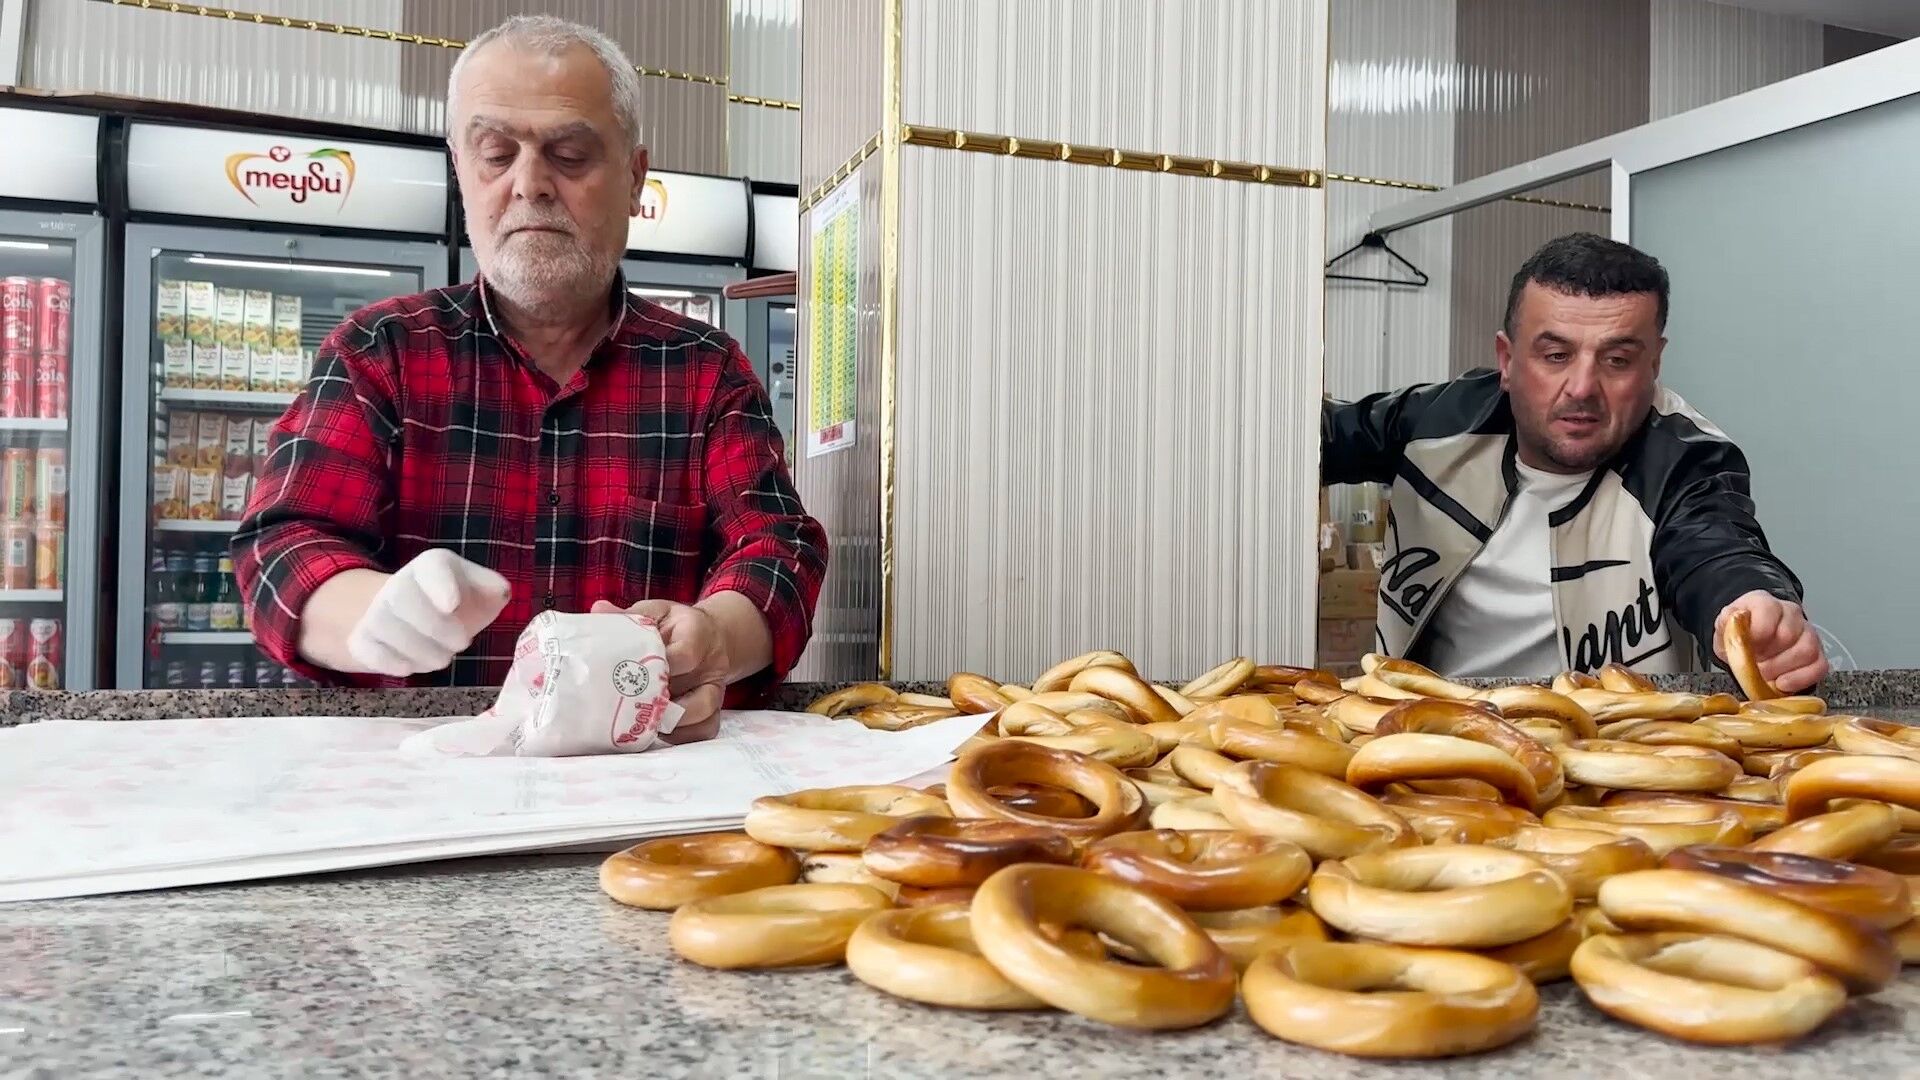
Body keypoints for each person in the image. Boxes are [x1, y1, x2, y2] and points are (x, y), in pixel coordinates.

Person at [233, 15, 828, 741]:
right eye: (495, 154)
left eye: (570, 155)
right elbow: (283, 543)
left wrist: (715, 637)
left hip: (644, 772)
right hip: (423, 769)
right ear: (461, 169)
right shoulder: (380, 352)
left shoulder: (706, 370)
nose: (529, 185)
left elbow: (778, 549)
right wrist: (368, 614)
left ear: (634, 178)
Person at [1322, 232, 1826, 691]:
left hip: (1608, 750)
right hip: (1431, 735)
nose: (1583, 389)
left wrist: (1753, 603)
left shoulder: (1685, 459)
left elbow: (1717, 547)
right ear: (1507, 360)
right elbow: (1309, 439)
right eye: (1556, 356)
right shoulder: (1436, 421)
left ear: (1654, 364)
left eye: (1617, 360)